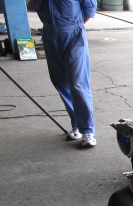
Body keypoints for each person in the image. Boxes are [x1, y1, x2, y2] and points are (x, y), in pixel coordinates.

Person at [32, 0, 97, 147]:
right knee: (60, 82)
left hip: (74, 34)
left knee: (78, 83)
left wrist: (72, 26)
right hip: (50, 35)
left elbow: (89, 9)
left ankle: (87, 130)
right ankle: (77, 124)